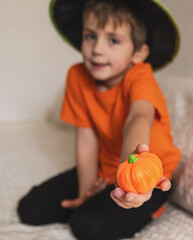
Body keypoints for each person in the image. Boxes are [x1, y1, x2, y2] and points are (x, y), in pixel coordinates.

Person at [17, 0, 181, 239]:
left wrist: (131, 176)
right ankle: (93, 201)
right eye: (90, 36)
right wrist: (85, 192)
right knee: (30, 210)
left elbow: (138, 118)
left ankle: (150, 206)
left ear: (138, 53)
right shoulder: (77, 76)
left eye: (113, 40)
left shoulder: (140, 77)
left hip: (150, 177)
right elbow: (86, 138)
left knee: (87, 225)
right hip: (105, 169)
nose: (97, 50)